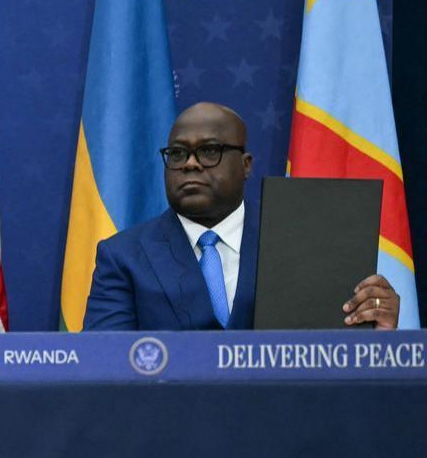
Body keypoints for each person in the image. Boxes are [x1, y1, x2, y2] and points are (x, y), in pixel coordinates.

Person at [84, 102, 399, 331]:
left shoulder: (306, 242)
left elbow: (340, 366)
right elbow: (104, 371)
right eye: (177, 154)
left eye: (210, 151)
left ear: (246, 164)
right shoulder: (124, 257)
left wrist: (380, 335)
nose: (190, 164)